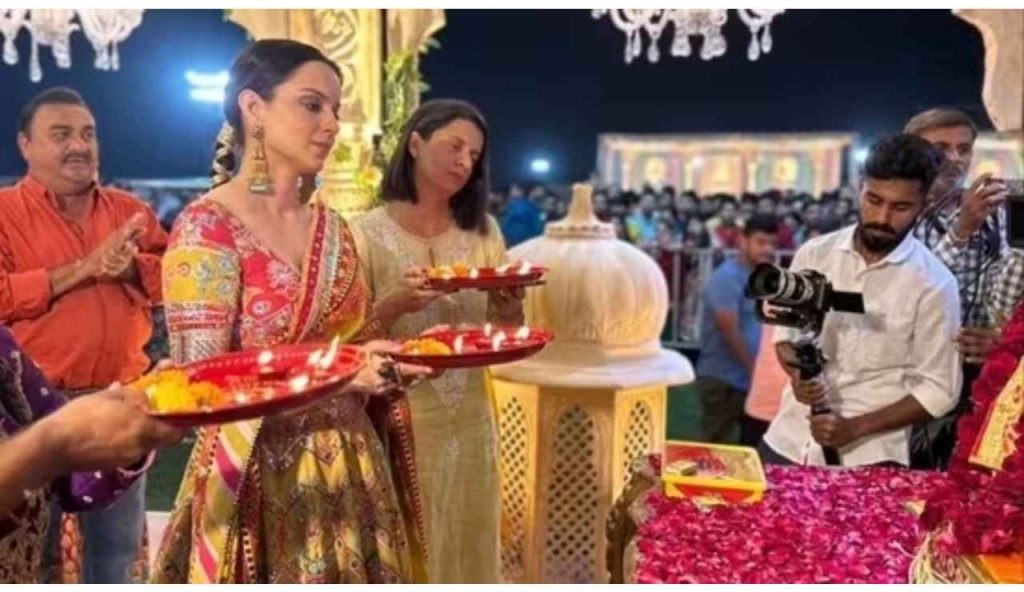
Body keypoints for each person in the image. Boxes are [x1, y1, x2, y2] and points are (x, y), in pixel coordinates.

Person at [150, 39, 432, 584]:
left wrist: (391, 357)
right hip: (256, 476)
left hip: (351, 469)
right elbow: (199, 385)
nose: (332, 125)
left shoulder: (333, 229)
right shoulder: (207, 228)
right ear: (253, 108)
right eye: (311, 105)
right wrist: (340, 374)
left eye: (336, 109)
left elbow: (352, 341)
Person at [350, 99, 524, 583]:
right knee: (406, 541)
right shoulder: (363, 234)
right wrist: (394, 305)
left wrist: (510, 305)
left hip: (470, 416)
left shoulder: (483, 232)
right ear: (415, 143)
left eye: (474, 155)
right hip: (398, 416)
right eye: (454, 146)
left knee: (470, 533)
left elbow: (503, 335)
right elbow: (345, 343)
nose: (464, 162)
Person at [0, 86, 168, 584]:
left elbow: (176, 279)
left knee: (117, 552)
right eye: (61, 135)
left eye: (87, 134)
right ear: (26, 145)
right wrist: (84, 268)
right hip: (31, 414)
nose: (79, 145)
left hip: (119, 401)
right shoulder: (4, 214)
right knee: (35, 551)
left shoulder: (129, 211)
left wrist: (130, 269)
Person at [760, 134, 961, 467]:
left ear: (923, 205)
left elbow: (940, 390)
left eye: (900, 207)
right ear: (860, 189)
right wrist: (797, 376)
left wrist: (855, 428)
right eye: (874, 200)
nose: (882, 217)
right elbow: (786, 338)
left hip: (870, 456)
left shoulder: (934, 284)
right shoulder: (815, 254)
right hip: (789, 441)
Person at [0, 325, 182, 583]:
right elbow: (56, 440)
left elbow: (70, 474)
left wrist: (133, 415)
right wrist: (50, 445)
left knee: (116, 556)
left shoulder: (4, 351)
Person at [906, 108, 1012, 468]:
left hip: (986, 381)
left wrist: (1006, 340)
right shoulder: (894, 214)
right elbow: (908, 294)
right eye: (940, 148)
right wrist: (961, 231)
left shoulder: (998, 214)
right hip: (913, 386)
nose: (955, 159)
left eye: (964, 149)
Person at [695, 214, 779, 444]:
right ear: (743, 241)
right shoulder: (727, 277)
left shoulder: (763, 278)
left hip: (748, 380)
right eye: (761, 242)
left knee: (752, 446)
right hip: (724, 379)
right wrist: (756, 370)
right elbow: (729, 331)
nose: (768, 250)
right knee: (713, 446)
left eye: (773, 244)